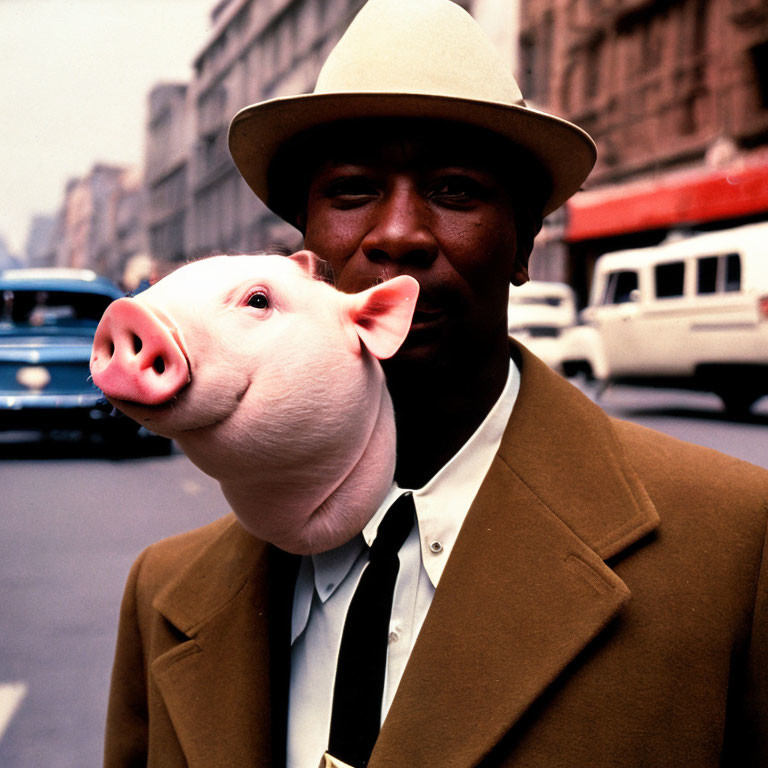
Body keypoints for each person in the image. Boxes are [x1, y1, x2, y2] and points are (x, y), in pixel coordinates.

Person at [104, 0, 768, 766]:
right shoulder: (165, 592)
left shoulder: (730, 549)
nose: (397, 234)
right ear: (307, 255)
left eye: (455, 191)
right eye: (352, 191)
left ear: (523, 243)